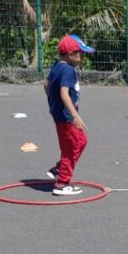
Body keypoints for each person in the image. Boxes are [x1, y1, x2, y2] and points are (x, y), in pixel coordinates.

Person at [44, 34, 94, 196]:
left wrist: (53, 104)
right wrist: (75, 115)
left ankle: (60, 168)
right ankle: (62, 183)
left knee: (81, 141)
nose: (82, 57)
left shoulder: (57, 66)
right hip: (67, 117)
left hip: (61, 114)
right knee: (71, 148)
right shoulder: (68, 70)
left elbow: (46, 85)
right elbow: (64, 93)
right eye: (80, 53)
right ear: (70, 54)